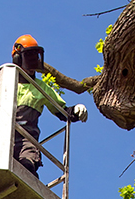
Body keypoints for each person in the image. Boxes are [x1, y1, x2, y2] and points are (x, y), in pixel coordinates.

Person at [8, 34, 88, 177]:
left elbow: (63, 112)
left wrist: (75, 110)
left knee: (27, 168)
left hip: (27, 141)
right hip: (1, 139)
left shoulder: (41, 88)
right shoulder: (5, 81)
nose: (33, 63)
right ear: (18, 59)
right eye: (29, 58)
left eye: (35, 59)